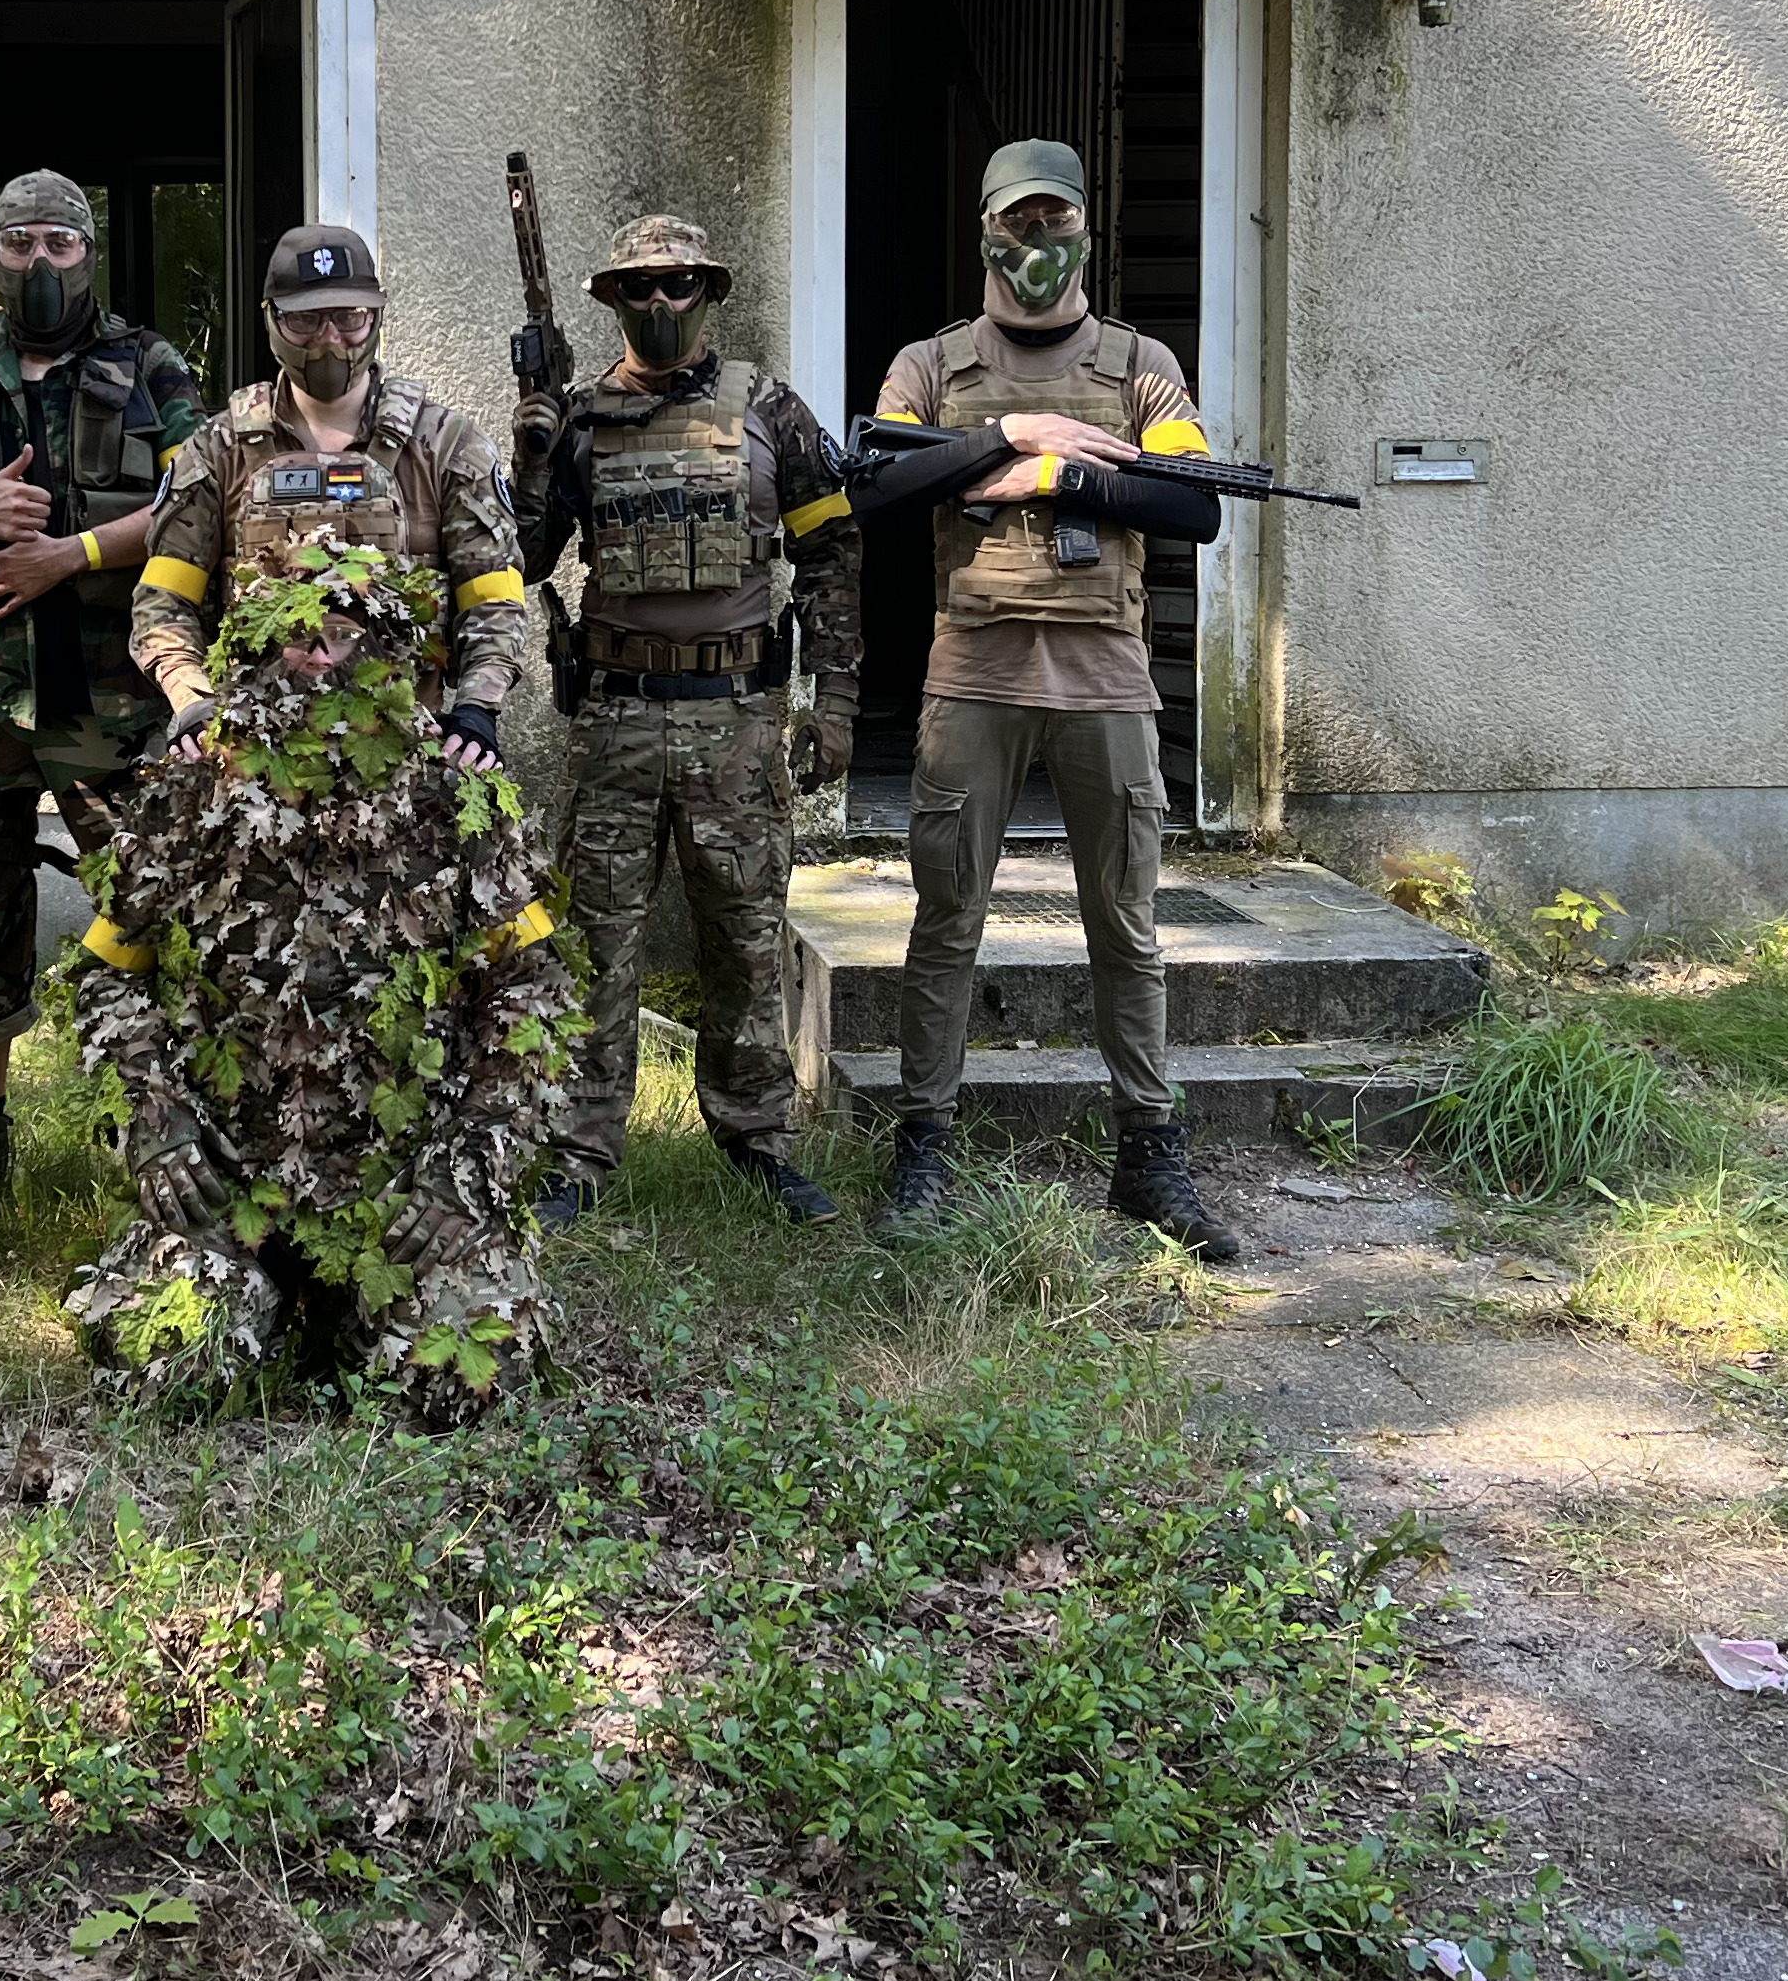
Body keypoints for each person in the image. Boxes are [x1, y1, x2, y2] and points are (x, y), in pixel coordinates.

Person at [63, 537, 576, 1420]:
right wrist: (158, 1128)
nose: (320, 661)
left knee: (452, 1386)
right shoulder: (189, 800)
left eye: (346, 640)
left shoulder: (454, 801)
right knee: (170, 1369)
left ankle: (357, 1314)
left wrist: (465, 1168)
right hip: (237, 1191)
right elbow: (107, 980)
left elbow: (537, 995)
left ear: (390, 660)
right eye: (300, 640)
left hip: (401, 1196)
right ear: (255, 651)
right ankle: (259, 1305)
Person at [841, 137, 1243, 1259]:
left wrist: (1066, 472)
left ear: (1084, 230)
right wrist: (1008, 436)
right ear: (985, 230)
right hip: (973, 667)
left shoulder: (1140, 365)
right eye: (1019, 222)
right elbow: (875, 485)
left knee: (1127, 924)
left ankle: (1149, 1151)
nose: (1037, 241)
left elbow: (1194, 507)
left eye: (1056, 221)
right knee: (948, 919)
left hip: (1104, 672)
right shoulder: (933, 364)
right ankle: (925, 1141)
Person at [514, 212, 853, 1224]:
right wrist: (531, 458)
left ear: (709, 293)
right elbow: (521, 563)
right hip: (616, 716)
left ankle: (758, 1142)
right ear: (612, 300)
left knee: (745, 937)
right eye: (639, 289)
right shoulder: (575, 421)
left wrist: (833, 701)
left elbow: (833, 561)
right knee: (591, 943)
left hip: (738, 720)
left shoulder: (774, 412)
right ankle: (576, 1151)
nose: (660, 304)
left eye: (679, 286)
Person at [0, 170, 206, 1195]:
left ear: (89, 252)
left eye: (59, 245)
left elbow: (200, 506)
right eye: (19, 243)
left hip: (111, 696)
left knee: (148, 902)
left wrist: (67, 555)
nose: (39, 262)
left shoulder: (149, 364)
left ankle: (160, 1123)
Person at [126, 221, 540, 774]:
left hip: (406, 752)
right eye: (305, 319)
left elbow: (493, 597)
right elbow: (163, 601)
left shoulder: (446, 447)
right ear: (272, 319)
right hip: (256, 759)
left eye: (349, 317)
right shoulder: (219, 451)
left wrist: (477, 708)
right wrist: (193, 702)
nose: (329, 339)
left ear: (375, 317)